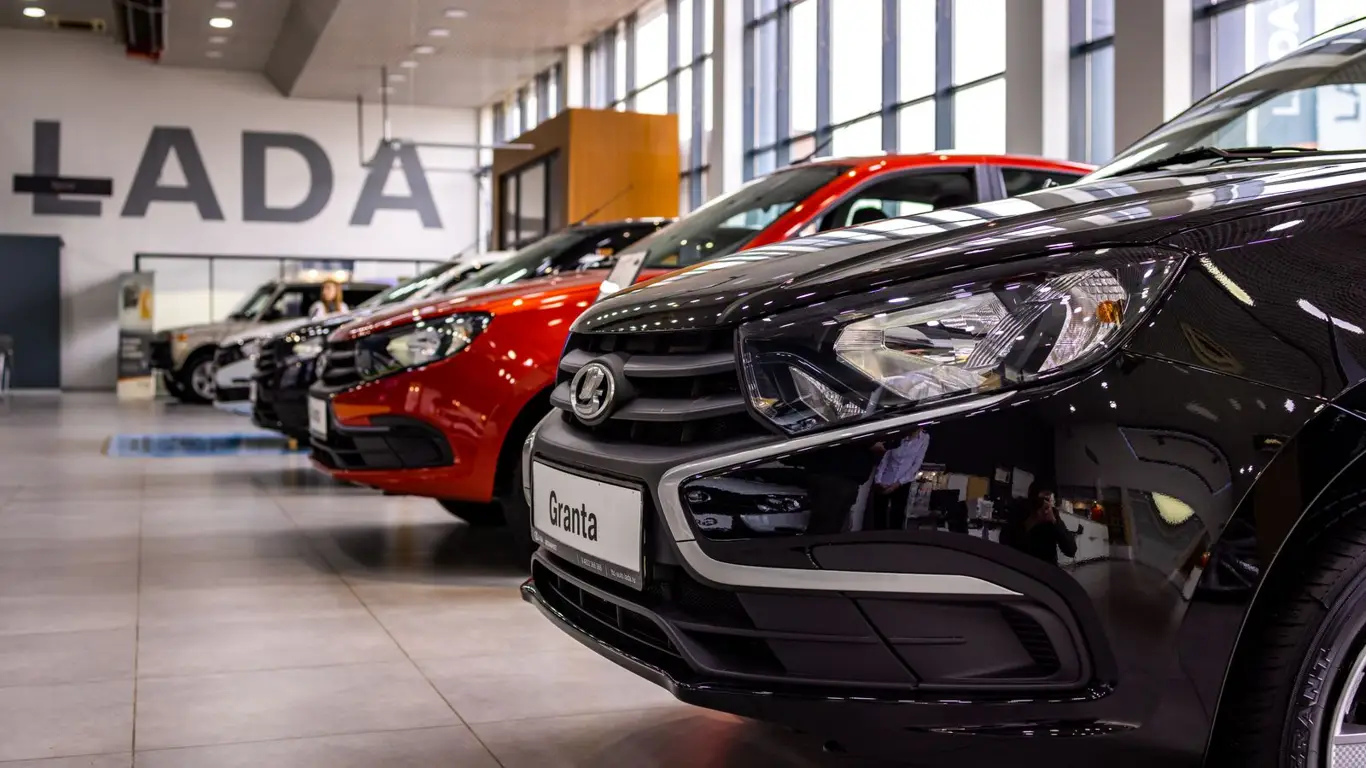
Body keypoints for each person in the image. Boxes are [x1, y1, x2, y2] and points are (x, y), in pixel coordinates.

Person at [866, 429, 931, 531]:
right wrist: (878, 481)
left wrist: (897, 484)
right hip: (884, 481)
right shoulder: (898, 434)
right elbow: (885, 459)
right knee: (879, 518)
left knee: (897, 517)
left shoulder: (924, 438)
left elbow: (916, 464)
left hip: (902, 482)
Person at [1002, 488, 1079, 566]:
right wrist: (1032, 520)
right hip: (1021, 565)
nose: (1043, 504)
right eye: (1041, 500)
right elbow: (1004, 541)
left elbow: (1071, 550)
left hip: (1046, 568)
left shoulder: (1051, 514)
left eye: (1047, 499)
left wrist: (1054, 521)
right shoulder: (1020, 509)